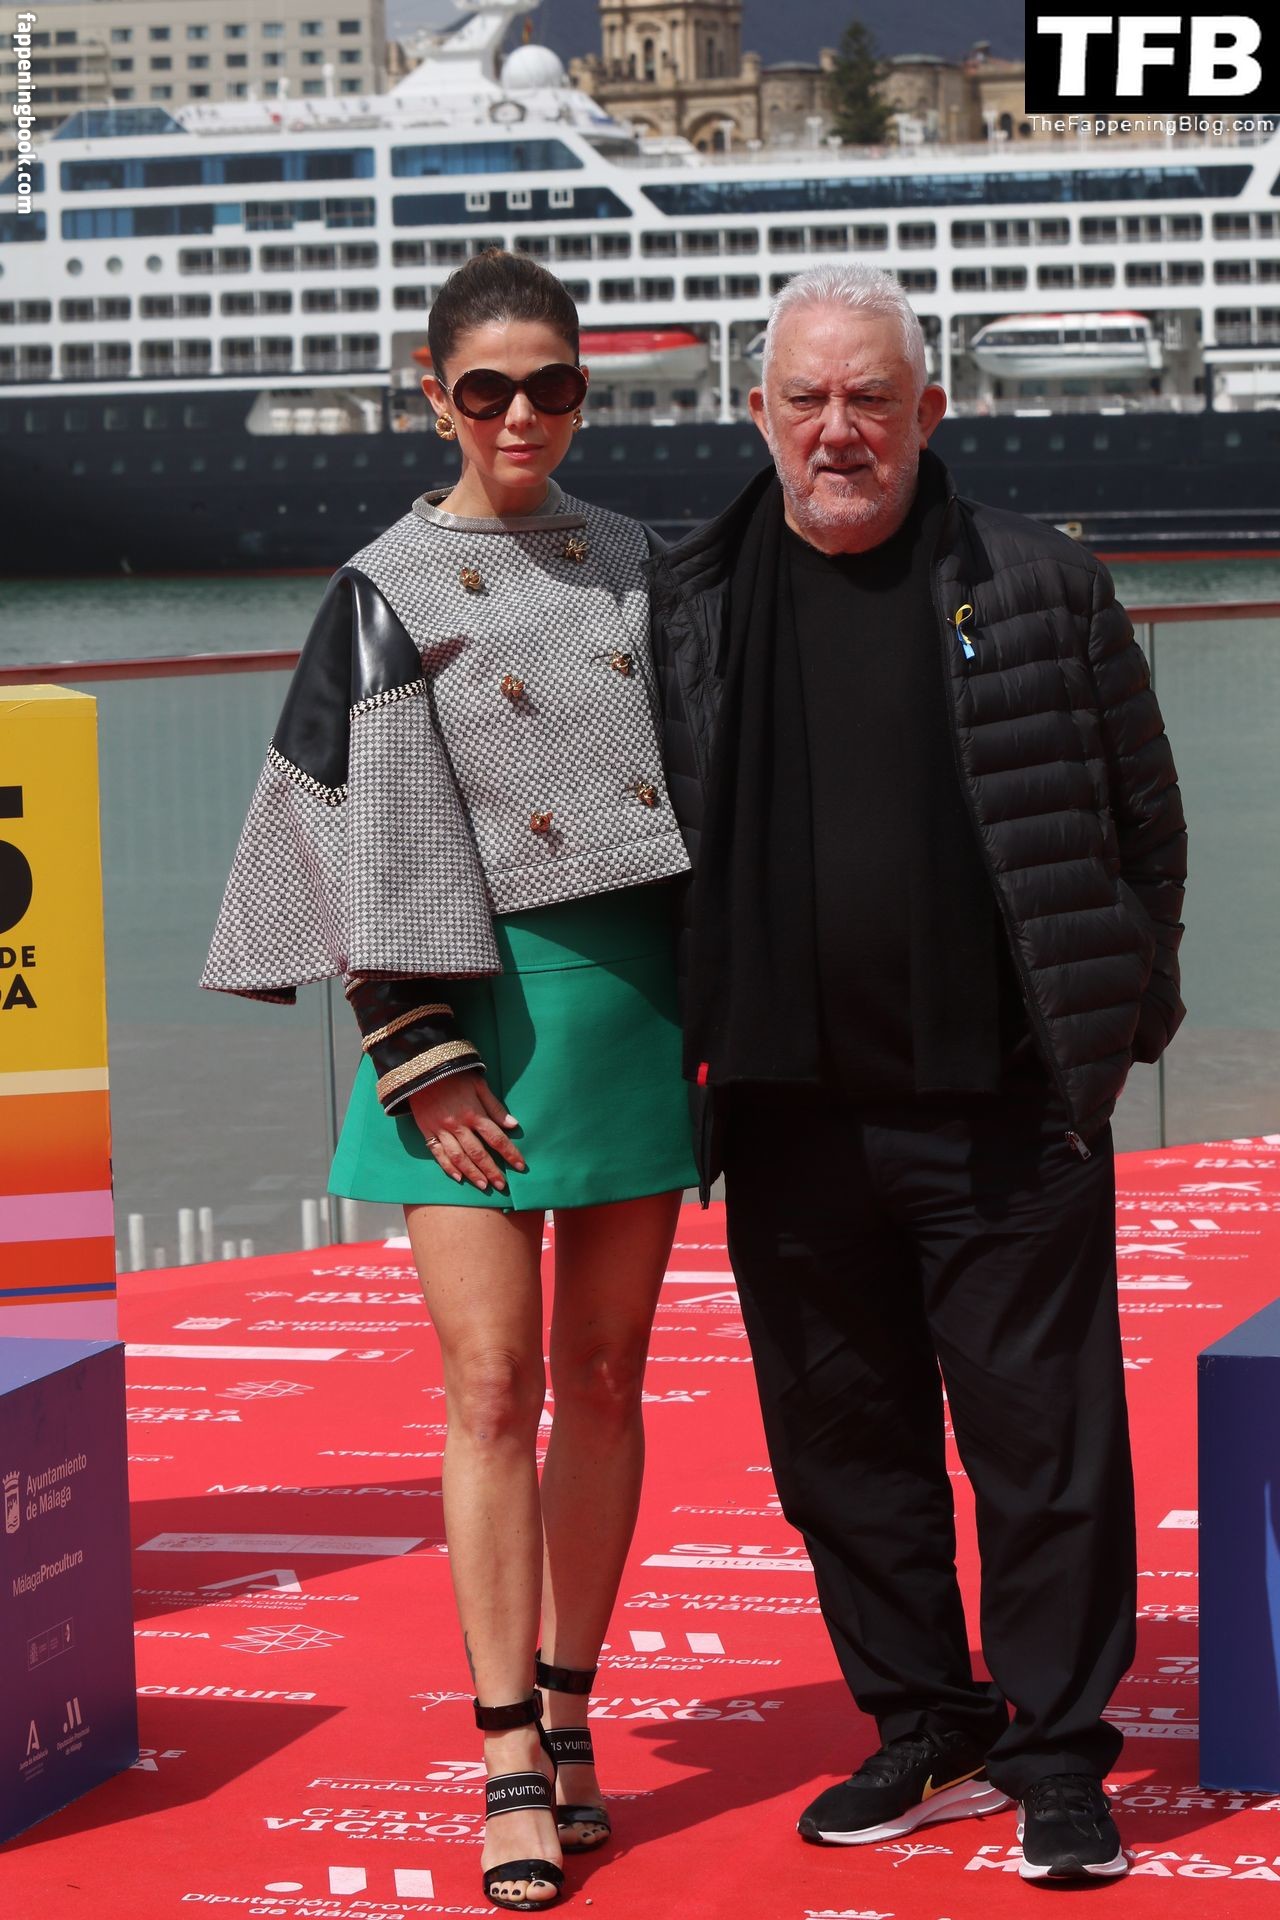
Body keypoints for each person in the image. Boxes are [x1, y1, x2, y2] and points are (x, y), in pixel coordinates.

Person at [647, 263, 1187, 1885]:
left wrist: (1111, 1030)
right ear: (757, 413)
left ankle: (1060, 1758)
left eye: (870, 398)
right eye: (808, 399)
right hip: (788, 1116)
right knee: (845, 1457)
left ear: (928, 411)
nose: (839, 430)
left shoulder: (1039, 586)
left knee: (1046, 1453)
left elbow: (1145, 829)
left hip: (1004, 1112)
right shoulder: (686, 601)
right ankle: (927, 1724)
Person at [202, 250, 698, 1914]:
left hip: (635, 1001)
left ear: (584, 392)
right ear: (434, 396)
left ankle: (574, 1715)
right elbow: (362, 829)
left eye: (552, 386)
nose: (520, 416)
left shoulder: (646, 561)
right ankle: (505, 1761)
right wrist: (416, 1054)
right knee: (490, 1384)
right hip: (462, 1014)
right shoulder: (386, 583)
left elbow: (721, 777)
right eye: (486, 389)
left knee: (608, 1377)